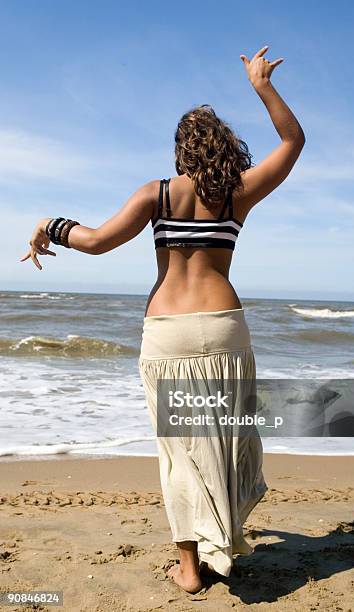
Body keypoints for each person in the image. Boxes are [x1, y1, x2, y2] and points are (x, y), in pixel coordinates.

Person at [20, 45, 305, 593]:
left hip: (168, 333)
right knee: (226, 437)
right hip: (224, 325)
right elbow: (293, 141)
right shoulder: (237, 194)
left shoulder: (159, 194)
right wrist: (262, 86)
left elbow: (98, 241)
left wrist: (47, 225)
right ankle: (226, 537)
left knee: (179, 451)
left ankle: (190, 568)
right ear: (225, 148)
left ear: (180, 150)